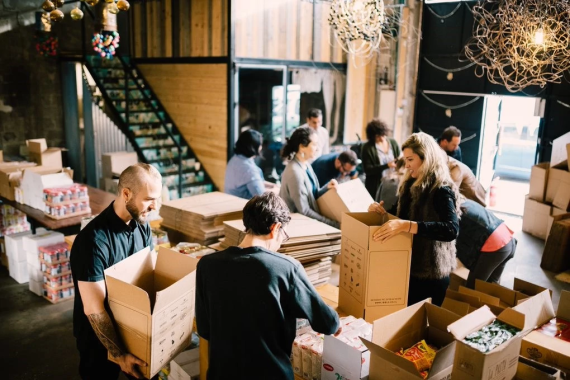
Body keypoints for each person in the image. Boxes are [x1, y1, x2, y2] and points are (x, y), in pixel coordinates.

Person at [195, 192, 341, 380]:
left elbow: (205, 330)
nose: (280, 244)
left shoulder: (207, 265)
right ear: (275, 227)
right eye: (283, 235)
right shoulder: (287, 268)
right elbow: (328, 323)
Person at [70, 163, 162, 380]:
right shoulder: (93, 242)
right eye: (149, 199)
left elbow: (147, 274)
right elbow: (94, 309)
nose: (154, 206)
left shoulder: (142, 226)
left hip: (133, 329)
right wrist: (119, 355)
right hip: (98, 340)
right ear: (126, 194)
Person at [368, 132, 460, 307]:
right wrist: (380, 212)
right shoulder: (410, 184)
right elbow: (399, 214)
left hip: (431, 274)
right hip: (409, 268)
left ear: (426, 158)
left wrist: (407, 226)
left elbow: (451, 229)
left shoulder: (441, 188)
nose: (407, 165)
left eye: (410, 160)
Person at [280, 127, 340, 228]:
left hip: (307, 223)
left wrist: (327, 188)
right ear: (302, 146)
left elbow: (312, 196)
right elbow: (304, 211)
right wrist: (334, 224)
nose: (318, 148)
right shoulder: (294, 172)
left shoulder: (305, 164)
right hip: (296, 226)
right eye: (315, 144)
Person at [456, 199, 517, 289]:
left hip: (496, 247)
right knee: (490, 289)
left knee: (471, 291)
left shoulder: (452, 214)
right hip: (508, 240)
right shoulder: (464, 201)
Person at [361, 119, 401, 199]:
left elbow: (399, 159)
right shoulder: (367, 147)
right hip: (376, 186)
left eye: (383, 135)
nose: (381, 138)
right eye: (377, 136)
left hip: (393, 183)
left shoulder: (393, 143)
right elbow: (368, 170)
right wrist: (386, 165)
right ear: (372, 136)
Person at [224, 129, 265, 199]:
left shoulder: (235, 159)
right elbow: (262, 197)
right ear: (254, 147)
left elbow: (252, 181)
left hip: (230, 203)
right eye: (260, 144)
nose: (261, 147)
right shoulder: (248, 169)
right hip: (242, 207)